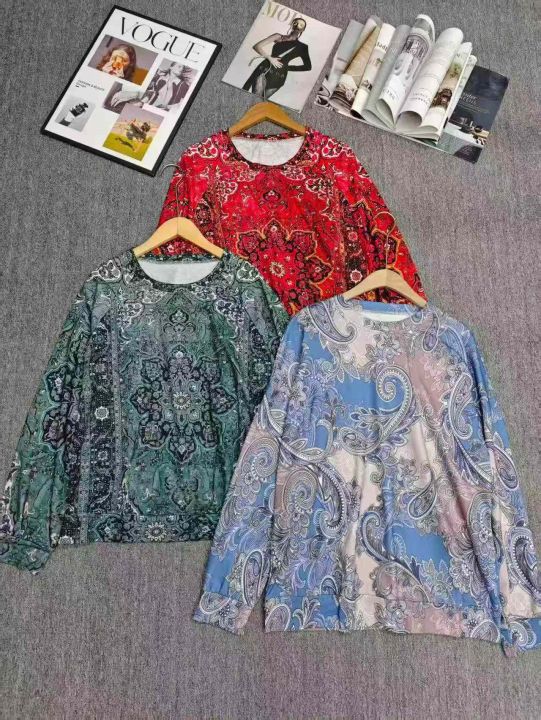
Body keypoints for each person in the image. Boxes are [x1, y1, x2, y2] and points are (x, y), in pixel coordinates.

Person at [243, 17, 312, 99]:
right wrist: (270, 58)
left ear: (303, 30)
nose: (297, 26)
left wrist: (286, 67)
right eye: (295, 23)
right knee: (255, 97)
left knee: (261, 101)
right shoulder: (278, 37)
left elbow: (307, 67)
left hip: (279, 76)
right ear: (291, 24)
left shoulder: (303, 47)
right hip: (265, 68)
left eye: (301, 25)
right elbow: (257, 46)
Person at [108, 63, 194, 112]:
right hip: (145, 104)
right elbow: (150, 92)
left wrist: (168, 107)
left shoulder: (183, 85)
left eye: (182, 68)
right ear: (171, 67)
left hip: (160, 110)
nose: (181, 69)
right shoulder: (159, 78)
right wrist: (137, 98)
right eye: (179, 66)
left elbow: (184, 103)